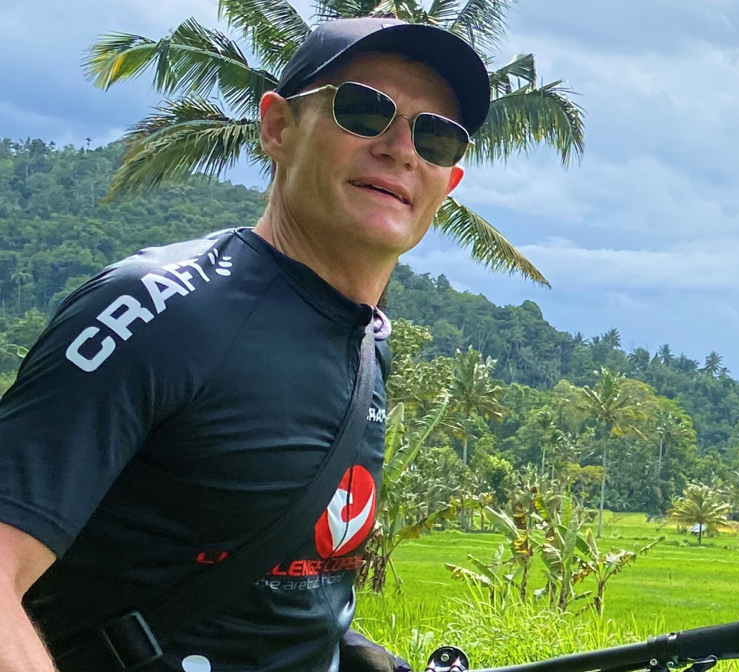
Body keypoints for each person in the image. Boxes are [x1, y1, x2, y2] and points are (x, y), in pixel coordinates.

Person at [0, 16, 491, 672]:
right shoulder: (159, 311)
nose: (401, 147)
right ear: (278, 128)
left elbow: (277, 591)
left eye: (435, 136)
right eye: (364, 110)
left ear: (447, 182)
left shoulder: (365, 347)